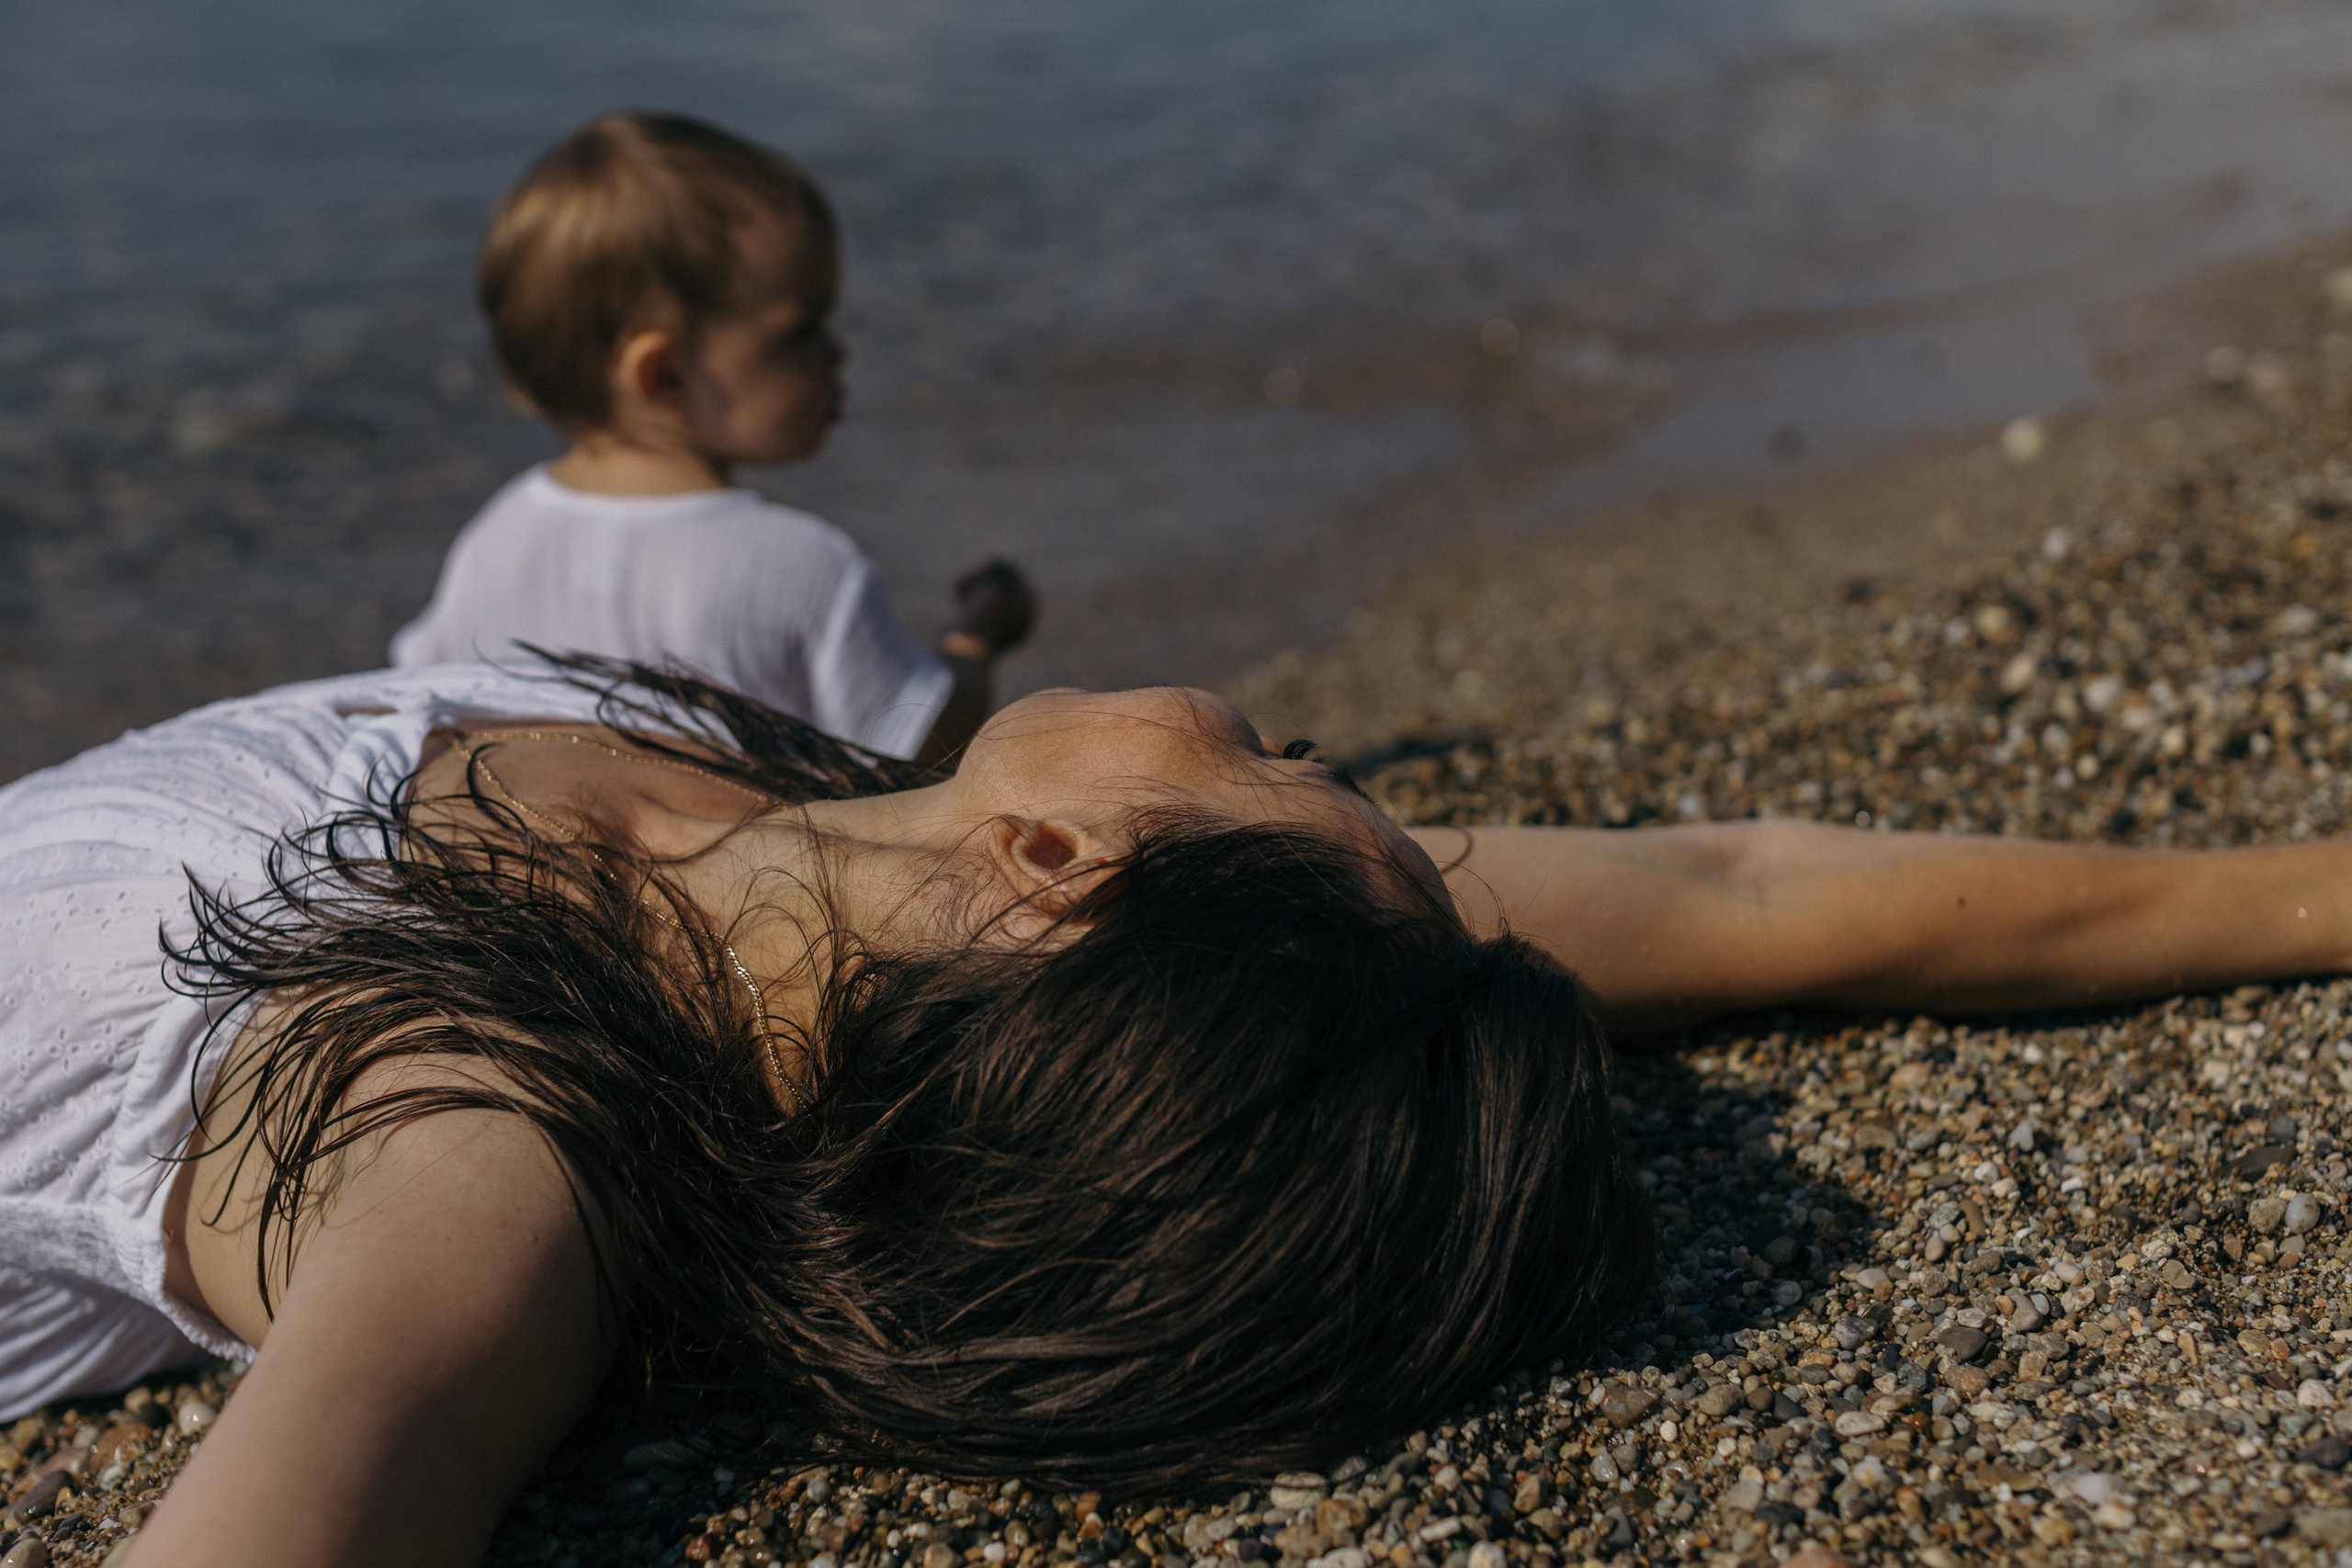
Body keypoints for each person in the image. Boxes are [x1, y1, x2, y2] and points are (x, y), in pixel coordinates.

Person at [0, 660, 2345, 1567]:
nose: (1292, 739)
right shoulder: (986, 911)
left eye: (1296, 781)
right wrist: (2310, 886)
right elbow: (1743, 884)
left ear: (1062, 867)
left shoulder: (474, 1141)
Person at [388, 111, 1035, 763]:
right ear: (662, 374)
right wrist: (974, 645)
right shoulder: (804, 566)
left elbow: (422, 707)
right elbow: (917, 748)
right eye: (803, 330)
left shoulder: (493, 538)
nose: (839, 353)